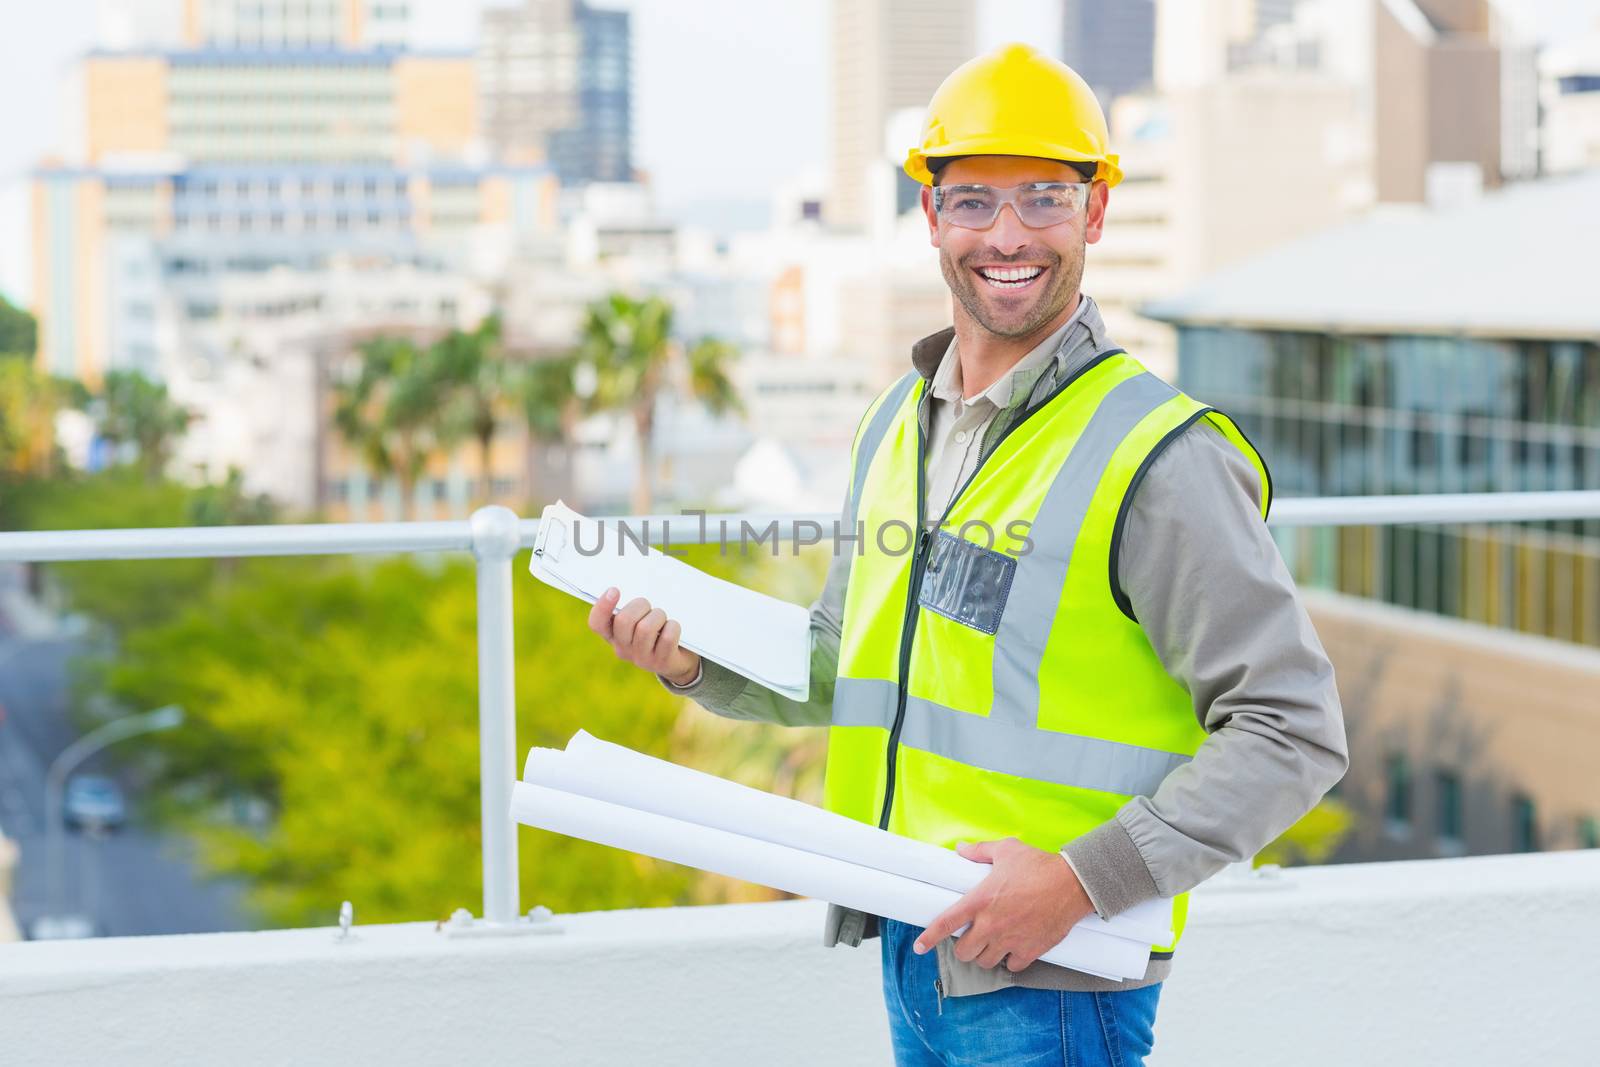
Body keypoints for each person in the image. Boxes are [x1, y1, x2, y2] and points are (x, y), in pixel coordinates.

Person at [586, 42, 1347, 1067]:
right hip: (918, 941)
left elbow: (1292, 727)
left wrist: (1081, 879)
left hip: (1061, 968)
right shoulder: (899, 423)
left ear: (1096, 212)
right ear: (930, 216)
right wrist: (691, 658)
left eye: (1043, 197)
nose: (1007, 235)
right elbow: (852, 662)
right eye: (974, 200)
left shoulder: (1159, 456)